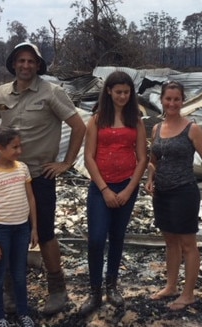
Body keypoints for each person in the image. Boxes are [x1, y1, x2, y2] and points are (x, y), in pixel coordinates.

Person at [0, 41, 86, 315]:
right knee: (6, 231)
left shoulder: (51, 92)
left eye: (31, 61)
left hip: (39, 176)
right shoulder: (0, 93)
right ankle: (9, 290)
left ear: (39, 65)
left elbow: (79, 127)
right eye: (21, 60)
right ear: (13, 64)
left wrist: (66, 162)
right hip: (7, 178)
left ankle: (57, 289)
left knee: (44, 233)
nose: (26, 65)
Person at [79, 71, 148, 315]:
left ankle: (112, 286)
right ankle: (95, 291)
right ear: (109, 91)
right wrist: (105, 189)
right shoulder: (97, 120)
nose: (122, 96)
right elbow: (88, 157)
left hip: (126, 186)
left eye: (126, 92)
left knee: (117, 238)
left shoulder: (136, 120)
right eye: (118, 92)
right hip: (101, 188)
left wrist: (129, 189)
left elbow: (142, 158)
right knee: (97, 239)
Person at [145, 81, 202, 310]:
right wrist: (149, 179)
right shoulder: (156, 129)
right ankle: (171, 286)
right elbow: (153, 161)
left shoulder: (192, 129)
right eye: (168, 99)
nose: (172, 103)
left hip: (184, 192)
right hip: (162, 194)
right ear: (162, 101)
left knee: (188, 244)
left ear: (182, 101)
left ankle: (188, 294)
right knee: (170, 242)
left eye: (176, 99)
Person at [0, 127, 38, 327]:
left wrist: (34, 228)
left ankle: (23, 312)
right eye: (14, 147)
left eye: (20, 146)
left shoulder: (22, 168)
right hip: (1, 230)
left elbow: (30, 198)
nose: (19, 151)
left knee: (20, 273)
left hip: (21, 228)